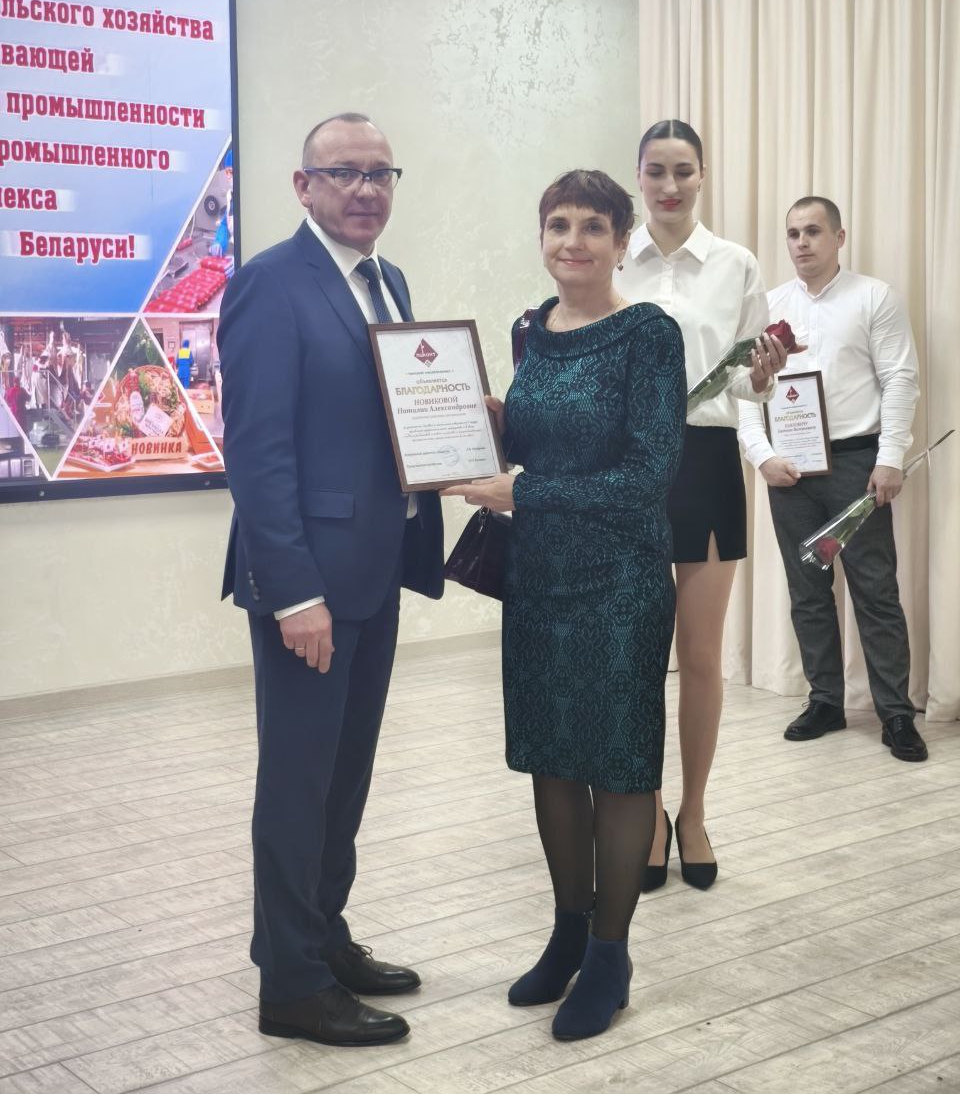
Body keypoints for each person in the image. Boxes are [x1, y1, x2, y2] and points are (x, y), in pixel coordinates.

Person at [217, 113, 445, 1047]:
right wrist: (294, 593)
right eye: (344, 173)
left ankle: (319, 934)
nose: (365, 189)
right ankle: (293, 987)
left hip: (376, 573)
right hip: (309, 588)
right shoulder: (270, 284)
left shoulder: (388, 280)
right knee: (297, 783)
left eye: (380, 173)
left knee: (345, 778)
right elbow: (257, 452)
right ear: (302, 186)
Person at [442, 170, 686, 1040]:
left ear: (622, 241)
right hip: (539, 579)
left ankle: (611, 956)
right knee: (552, 758)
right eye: (558, 225)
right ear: (541, 236)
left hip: (621, 582)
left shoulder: (650, 334)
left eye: (592, 227)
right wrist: (484, 419)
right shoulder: (529, 329)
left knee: (617, 764)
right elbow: (538, 439)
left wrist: (527, 492)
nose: (572, 241)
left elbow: (648, 475)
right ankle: (568, 934)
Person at [614, 119, 786, 892]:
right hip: (629, 465)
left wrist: (765, 375)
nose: (670, 186)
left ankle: (695, 812)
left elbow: (747, 378)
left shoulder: (736, 263)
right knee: (638, 657)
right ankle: (647, 813)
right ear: (639, 176)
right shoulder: (615, 257)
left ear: (703, 175)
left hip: (708, 460)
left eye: (683, 171)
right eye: (657, 171)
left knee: (703, 656)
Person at [738, 196, 925, 760]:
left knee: (875, 590)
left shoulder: (874, 297)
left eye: (814, 231)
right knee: (808, 591)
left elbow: (900, 378)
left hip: (856, 465)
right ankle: (825, 701)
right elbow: (746, 391)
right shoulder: (767, 306)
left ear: (839, 237)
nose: (801, 242)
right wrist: (761, 456)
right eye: (793, 233)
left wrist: (889, 457)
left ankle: (896, 713)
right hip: (789, 471)